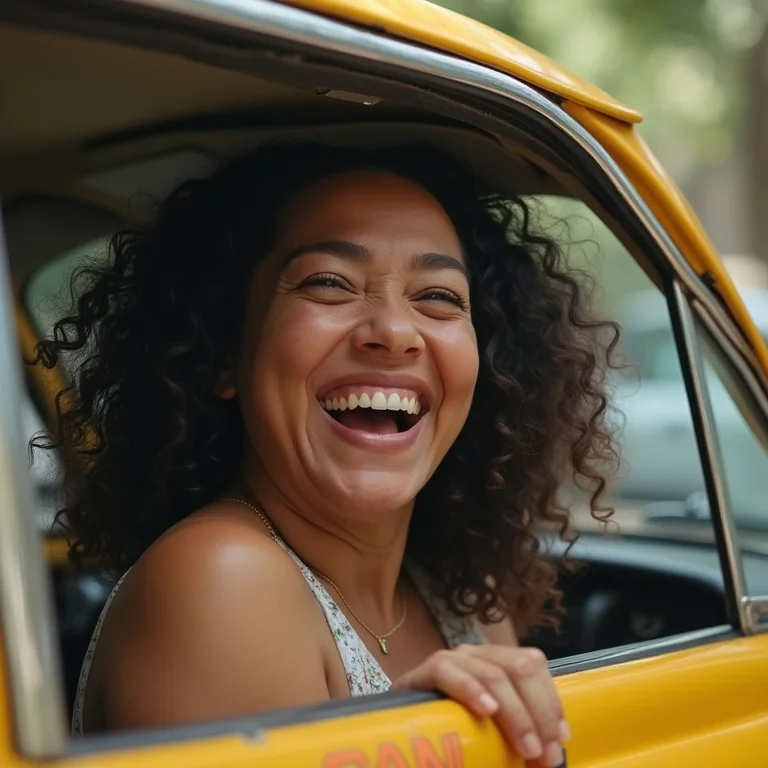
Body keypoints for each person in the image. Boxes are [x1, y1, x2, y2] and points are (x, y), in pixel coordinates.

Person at [32, 142, 619, 768]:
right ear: (227, 352)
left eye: (440, 297)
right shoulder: (222, 579)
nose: (394, 332)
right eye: (329, 283)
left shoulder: (458, 591)